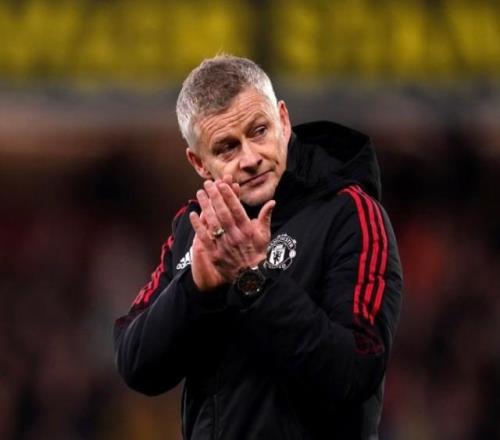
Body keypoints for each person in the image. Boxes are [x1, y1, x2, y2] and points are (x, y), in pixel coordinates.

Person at [114, 54, 403, 439]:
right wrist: (194, 291)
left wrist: (252, 278)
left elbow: (355, 371)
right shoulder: (195, 226)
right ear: (199, 164)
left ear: (283, 119)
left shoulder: (350, 213)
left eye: (259, 131)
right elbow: (136, 365)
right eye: (227, 148)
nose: (250, 158)